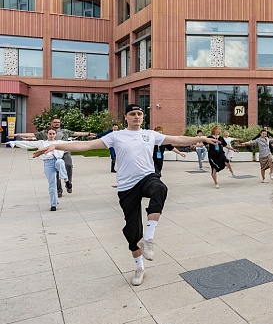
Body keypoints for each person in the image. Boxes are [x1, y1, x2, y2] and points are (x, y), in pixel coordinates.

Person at [32, 104, 220, 286]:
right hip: (127, 187)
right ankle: (139, 268)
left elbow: (177, 139)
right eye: (133, 114)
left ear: (143, 117)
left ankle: (148, 238)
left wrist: (201, 140)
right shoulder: (117, 136)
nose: (137, 116)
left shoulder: (150, 135)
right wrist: (56, 145)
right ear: (126, 117)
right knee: (132, 234)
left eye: (139, 113)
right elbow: (87, 145)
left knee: (160, 189)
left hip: (147, 177)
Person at [15, 118, 95, 197]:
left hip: (65, 152)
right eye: (55, 122)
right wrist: (17, 134)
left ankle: (68, 183)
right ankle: (59, 190)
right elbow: (32, 135)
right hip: (54, 154)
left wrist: (88, 134)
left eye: (58, 122)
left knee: (69, 166)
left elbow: (76, 133)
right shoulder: (45, 133)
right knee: (56, 171)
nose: (57, 123)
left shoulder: (64, 131)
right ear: (51, 123)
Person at [9, 127, 69, 211]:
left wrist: (89, 142)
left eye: (53, 134)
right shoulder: (41, 143)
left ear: (55, 134)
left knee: (60, 162)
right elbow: (29, 144)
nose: (51, 135)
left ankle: (66, 180)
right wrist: (13, 142)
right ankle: (53, 204)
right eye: (50, 134)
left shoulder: (59, 142)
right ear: (47, 134)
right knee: (52, 185)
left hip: (58, 160)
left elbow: (74, 143)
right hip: (48, 163)